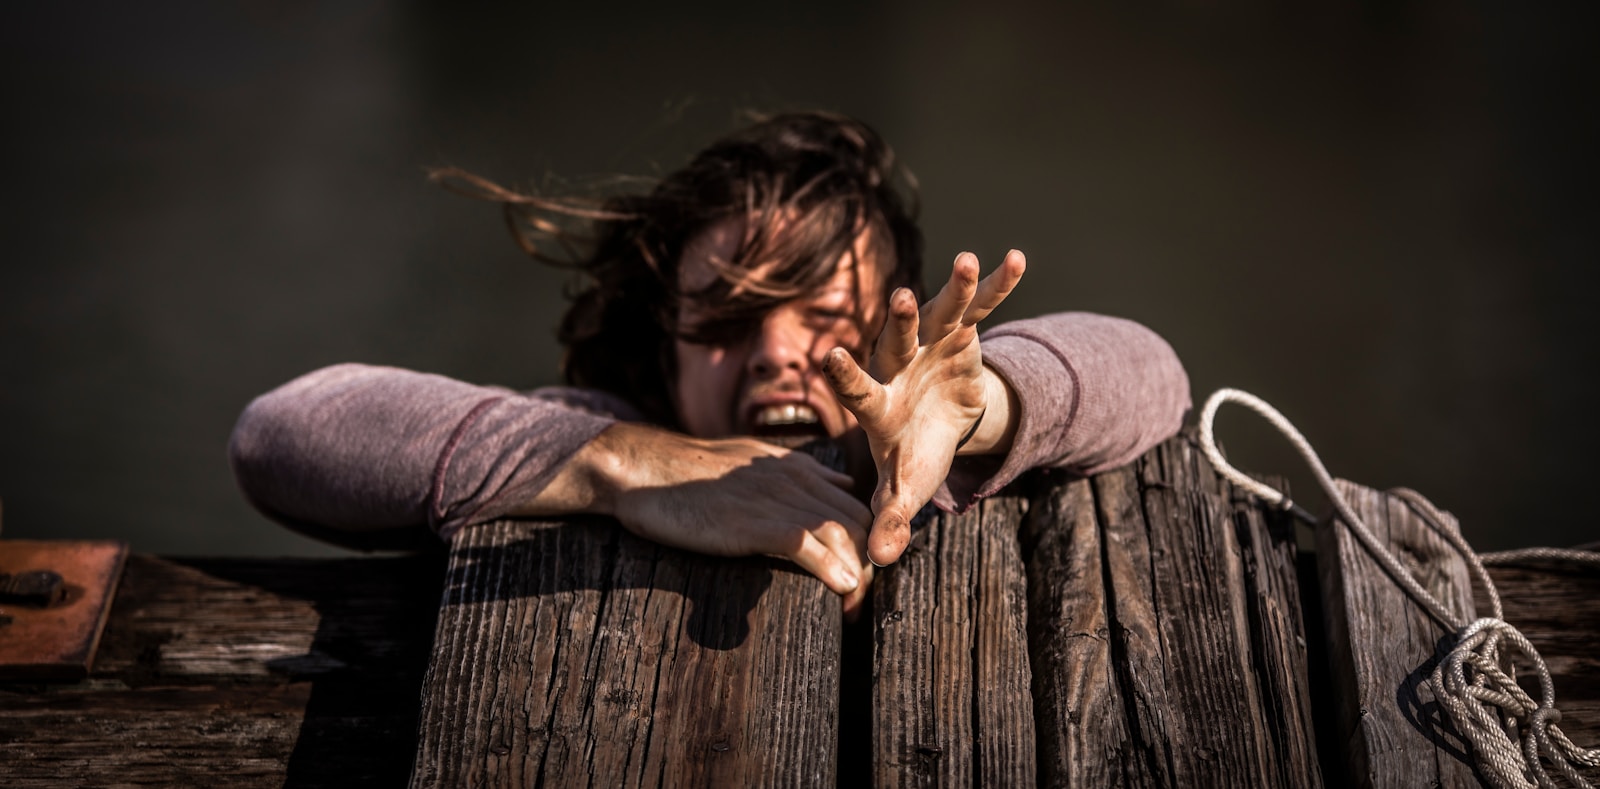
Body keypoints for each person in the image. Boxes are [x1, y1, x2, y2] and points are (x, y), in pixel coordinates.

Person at [228, 111, 1190, 618]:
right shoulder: (601, 437)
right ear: (665, 341)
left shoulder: (943, 455)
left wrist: (978, 413)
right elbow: (283, 429)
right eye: (728, 318)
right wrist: (623, 459)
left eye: (824, 315)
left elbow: (1154, 369)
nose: (777, 353)